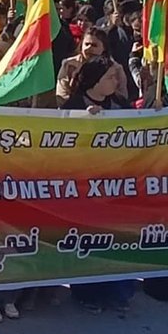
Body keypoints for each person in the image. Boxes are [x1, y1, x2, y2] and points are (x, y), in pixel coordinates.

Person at [61, 56, 138, 312]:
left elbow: (143, 129)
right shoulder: (73, 106)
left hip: (116, 189)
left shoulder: (118, 104)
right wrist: (83, 122)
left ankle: (116, 293)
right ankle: (87, 293)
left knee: (115, 241)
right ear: (94, 81)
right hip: (86, 191)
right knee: (90, 241)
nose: (116, 81)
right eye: (110, 77)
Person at [56, 27, 127, 106]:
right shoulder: (69, 65)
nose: (89, 48)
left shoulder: (116, 68)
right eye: (86, 44)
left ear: (104, 48)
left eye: (94, 45)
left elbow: (122, 97)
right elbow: (62, 95)